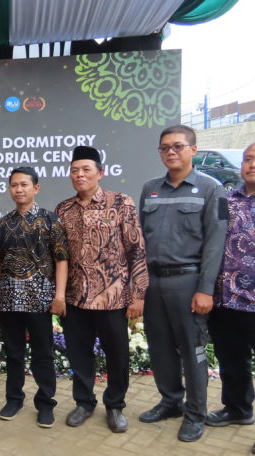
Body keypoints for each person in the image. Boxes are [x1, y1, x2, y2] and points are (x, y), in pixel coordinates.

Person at [139, 125, 227, 442]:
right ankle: (171, 401)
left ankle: (195, 413)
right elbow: (141, 242)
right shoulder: (150, 188)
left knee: (193, 352)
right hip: (154, 283)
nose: (171, 152)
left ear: (193, 149)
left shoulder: (211, 189)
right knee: (160, 348)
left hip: (188, 283)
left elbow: (215, 244)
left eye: (177, 146)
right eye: (164, 148)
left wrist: (205, 289)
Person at [55, 146, 148, 433]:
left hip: (113, 299)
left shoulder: (121, 203)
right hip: (76, 299)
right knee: (79, 354)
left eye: (85, 169)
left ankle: (116, 405)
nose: (79, 175)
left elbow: (137, 250)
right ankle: (84, 402)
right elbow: (60, 257)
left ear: (100, 172)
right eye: (74, 170)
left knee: (117, 355)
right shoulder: (63, 209)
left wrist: (139, 294)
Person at [0, 167, 68, 428]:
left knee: (43, 354)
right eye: (14, 185)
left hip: (41, 300)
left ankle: (46, 403)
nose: (19, 189)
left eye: (24, 184)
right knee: (13, 353)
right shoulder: (3, 224)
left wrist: (59, 295)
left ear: (36, 188)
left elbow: (61, 260)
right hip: (10, 299)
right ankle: (14, 399)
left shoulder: (50, 220)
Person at [206, 143, 255, 430]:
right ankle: (237, 408)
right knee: (232, 359)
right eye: (248, 159)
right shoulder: (227, 199)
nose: (251, 164)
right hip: (226, 299)